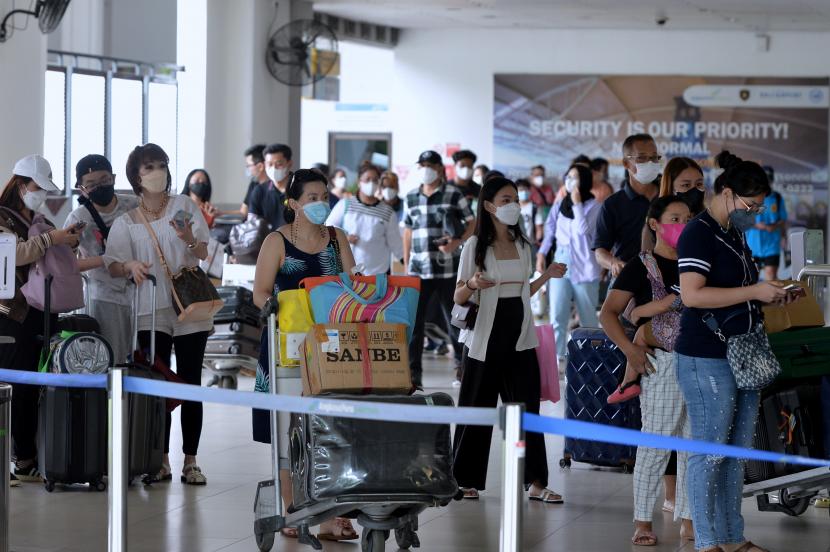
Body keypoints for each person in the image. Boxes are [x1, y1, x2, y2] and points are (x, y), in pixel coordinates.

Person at [676, 150, 788, 552]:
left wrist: (768, 297)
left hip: (742, 353)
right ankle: (706, 540)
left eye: (759, 207)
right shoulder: (698, 233)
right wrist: (754, 291)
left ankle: (732, 537)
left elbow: (738, 291)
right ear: (726, 193)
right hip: (705, 355)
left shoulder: (735, 234)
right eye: (750, 205)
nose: (754, 214)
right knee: (710, 451)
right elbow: (692, 295)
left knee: (735, 452)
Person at [252, 169, 358, 541]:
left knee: (331, 430)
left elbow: (352, 285)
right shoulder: (276, 241)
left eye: (323, 195)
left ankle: (332, 513)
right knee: (288, 433)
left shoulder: (337, 238)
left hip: (331, 345)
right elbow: (260, 292)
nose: (320, 202)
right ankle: (294, 510)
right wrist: (278, 309)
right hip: (286, 347)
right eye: (311, 197)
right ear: (293, 203)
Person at [452, 175, 566, 503]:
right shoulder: (475, 246)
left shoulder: (522, 246)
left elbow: (523, 292)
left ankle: (536, 482)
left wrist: (545, 276)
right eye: (505, 200)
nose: (512, 205)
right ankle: (464, 478)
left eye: (514, 199)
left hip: (520, 336)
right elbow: (458, 296)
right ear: (488, 206)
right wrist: (472, 284)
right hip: (485, 336)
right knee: (476, 408)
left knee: (527, 411)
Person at [105, 143, 212, 486]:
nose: (157, 172)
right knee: (159, 383)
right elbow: (113, 265)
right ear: (136, 176)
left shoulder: (182, 206)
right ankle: (160, 458)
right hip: (151, 308)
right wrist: (130, 266)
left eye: (161, 165)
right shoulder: (127, 222)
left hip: (190, 304)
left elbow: (203, 252)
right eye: (148, 167)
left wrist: (189, 237)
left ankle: (191, 460)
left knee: (192, 380)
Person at [599, 196, 694, 547]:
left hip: (700, 362)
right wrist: (630, 349)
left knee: (692, 446)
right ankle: (642, 521)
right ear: (655, 224)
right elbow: (608, 313)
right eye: (675, 218)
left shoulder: (694, 262)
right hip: (662, 363)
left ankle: (688, 518)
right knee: (656, 444)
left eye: (688, 218)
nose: (683, 224)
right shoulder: (641, 266)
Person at [0, 154, 80, 486]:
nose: (41, 194)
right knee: (13, 386)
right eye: (37, 187)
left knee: (29, 386)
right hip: (10, 314)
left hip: (37, 310)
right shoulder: (4, 218)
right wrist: (52, 239)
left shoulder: (34, 216)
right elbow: (13, 254)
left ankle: (27, 456)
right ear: (19, 185)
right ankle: (16, 455)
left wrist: (66, 242)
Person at [402, 150, 475, 388]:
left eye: (429, 165)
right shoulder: (411, 196)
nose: (425, 169)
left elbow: (473, 222)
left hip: (447, 269)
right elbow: (408, 232)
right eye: (421, 165)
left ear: (440, 169)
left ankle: (462, 369)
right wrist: (406, 264)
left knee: (456, 321)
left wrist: (457, 242)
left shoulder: (454, 194)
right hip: (418, 269)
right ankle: (414, 374)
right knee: (415, 324)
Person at [65, 154, 139, 365]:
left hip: (141, 294)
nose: (100, 187)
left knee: (140, 360)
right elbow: (67, 264)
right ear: (81, 188)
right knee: (109, 360)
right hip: (102, 297)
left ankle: (135, 399)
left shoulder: (134, 206)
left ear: (114, 178)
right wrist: (106, 259)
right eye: (91, 184)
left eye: (105, 180)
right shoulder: (78, 218)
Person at [537, 164, 602, 365]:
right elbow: (550, 230)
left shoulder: (595, 206)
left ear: (584, 181)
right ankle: (557, 359)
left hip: (585, 264)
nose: (570, 180)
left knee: (588, 316)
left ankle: (594, 358)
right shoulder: (559, 205)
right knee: (557, 313)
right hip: (560, 260)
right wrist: (542, 252)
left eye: (575, 177)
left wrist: (577, 205)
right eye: (568, 176)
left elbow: (583, 231)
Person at [594, 134, 661, 278]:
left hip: (666, 278)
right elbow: (600, 251)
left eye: (654, 157)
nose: (650, 163)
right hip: (628, 277)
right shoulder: (612, 204)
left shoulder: (669, 198)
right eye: (642, 158)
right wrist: (613, 263)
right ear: (626, 163)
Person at [326, 164, 403, 275]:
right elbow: (329, 228)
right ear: (359, 181)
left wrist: (406, 262)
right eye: (367, 179)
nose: (371, 183)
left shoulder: (387, 212)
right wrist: (344, 237)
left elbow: (396, 244)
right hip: (352, 270)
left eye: (375, 180)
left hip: (379, 272)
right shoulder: (345, 205)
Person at [641, 157, 706, 251]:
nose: (694, 190)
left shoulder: (709, 221)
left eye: (699, 184)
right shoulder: (656, 224)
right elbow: (647, 262)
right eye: (686, 185)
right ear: (670, 187)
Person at [745, 165, 787, 281]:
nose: (767, 182)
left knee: (771, 277)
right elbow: (742, 219)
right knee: (752, 278)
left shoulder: (777, 198)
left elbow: (783, 219)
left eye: (769, 179)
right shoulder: (750, 197)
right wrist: (757, 225)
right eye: (765, 179)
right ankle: (754, 299)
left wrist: (776, 227)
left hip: (772, 245)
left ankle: (771, 299)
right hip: (753, 245)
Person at [249, 143, 291, 231]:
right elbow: (252, 225)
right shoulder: (259, 191)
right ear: (265, 164)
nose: (273, 168)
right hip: (268, 242)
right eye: (270, 164)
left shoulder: (301, 189)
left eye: (279, 164)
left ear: (289, 163)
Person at [239, 144, 269, 218]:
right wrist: (219, 213)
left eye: (249, 165)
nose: (248, 169)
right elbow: (243, 212)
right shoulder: (254, 184)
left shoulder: (274, 187)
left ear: (260, 166)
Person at [517, 178, 543, 248]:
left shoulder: (534, 208)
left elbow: (539, 228)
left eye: (526, 189)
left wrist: (537, 243)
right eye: (521, 190)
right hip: (516, 245)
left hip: (530, 244)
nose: (524, 192)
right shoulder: (513, 207)